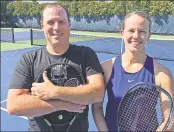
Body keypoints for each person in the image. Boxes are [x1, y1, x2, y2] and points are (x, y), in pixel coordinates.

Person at [7, 3, 105, 131]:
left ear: (69, 23)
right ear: (42, 25)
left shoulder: (86, 55)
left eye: (61, 21)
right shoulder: (28, 59)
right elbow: (14, 105)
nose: (56, 27)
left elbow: (97, 93)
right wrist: (61, 104)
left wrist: (53, 91)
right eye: (50, 22)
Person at [92, 11, 174, 131]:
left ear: (149, 35)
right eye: (131, 30)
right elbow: (97, 108)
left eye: (142, 31)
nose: (136, 36)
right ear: (122, 33)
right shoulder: (105, 69)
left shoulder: (162, 74)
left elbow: (170, 118)